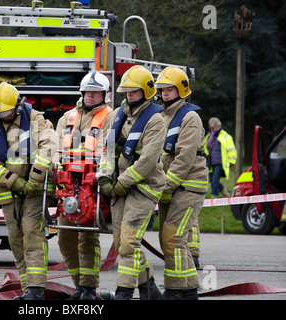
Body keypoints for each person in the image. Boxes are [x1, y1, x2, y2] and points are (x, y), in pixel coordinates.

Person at [0, 82, 57, 300]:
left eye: (7, 111)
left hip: (35, 189)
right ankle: (26, 289)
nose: (3, 116)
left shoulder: (35, 119)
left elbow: (48, 146)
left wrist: (35, 177)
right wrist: (12, 181)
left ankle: (36, 289)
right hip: (8, 191)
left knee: (32, 233)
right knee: (15, 239)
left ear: (18, 105)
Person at [97, 65, 165, 300]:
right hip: (118, 188)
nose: (129, 95)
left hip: (143, 189)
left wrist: (122, 182)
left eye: (133, 91)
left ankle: (123, 294)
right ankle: (150, 290)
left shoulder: (155, 120)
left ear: (146, 92)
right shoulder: (117, 115)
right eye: (126, 90)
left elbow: (147, 161)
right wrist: (104, 177)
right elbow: (105, 149)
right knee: (121, 242)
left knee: (128, 242)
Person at [55, 71, 113, 300]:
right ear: (82, 92)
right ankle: (78, 285)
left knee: (87, 238)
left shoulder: (110, 116)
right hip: (67, 185)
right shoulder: (67, 117)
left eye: (96, 92)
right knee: (65, 238)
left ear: (104, 95)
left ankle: (89, 288)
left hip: (92, 184)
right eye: (88, 91)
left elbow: (109, 150)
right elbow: (54, 147)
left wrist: (103, 175)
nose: (91, 96)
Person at [155, 66, 208, 300]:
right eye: (162, 89)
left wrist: (165, 186)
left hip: (187, 187)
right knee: (170, 239)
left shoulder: (190, 117)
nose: (165, 93)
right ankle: (188, 291)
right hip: (170, 187)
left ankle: (176, 290)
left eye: (170, 89)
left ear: (182, 90)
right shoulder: (161, 116)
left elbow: (184, 157)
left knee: (173, 237)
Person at [204, 117, 237, 199]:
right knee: (211, 181)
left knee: (215, 181)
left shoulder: (225, 136)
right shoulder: (209, 136)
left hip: (220, 162)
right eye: (210, 127)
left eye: (213, 127)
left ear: (217, 126)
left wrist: (231, 162)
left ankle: (214, 197)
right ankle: (226, 194)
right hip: (211, 163)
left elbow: (231, 149)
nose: (211, 129)